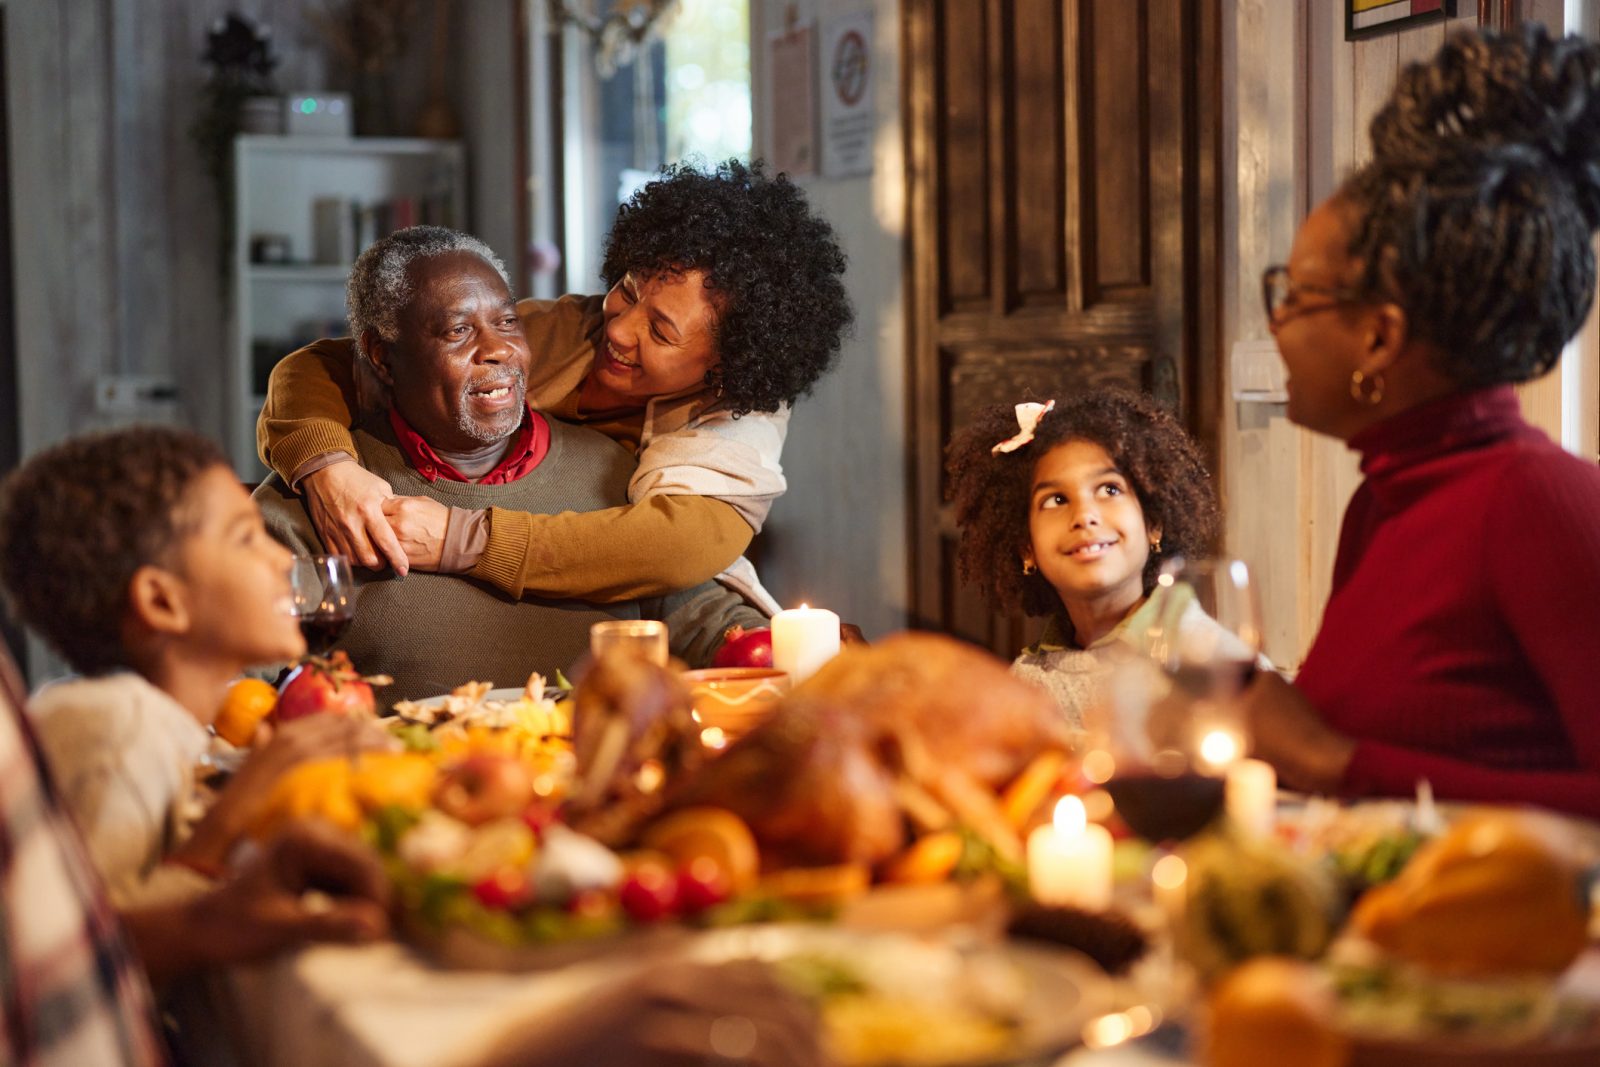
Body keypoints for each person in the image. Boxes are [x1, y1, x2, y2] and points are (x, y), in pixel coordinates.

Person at [1242, 25, 1600, 819]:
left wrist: (1330, 758)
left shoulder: (1539, 501)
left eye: (1295, 295)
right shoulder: (1380, 500)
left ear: (1380, 336)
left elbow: (1348, 763)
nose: (1277, 324)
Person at [257, 159, 852, 614]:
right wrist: (327, 468)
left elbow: (680, 547)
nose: (617, 328)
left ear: (724, 365)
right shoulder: (544, 334)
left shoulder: (737, 421)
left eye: (661, 332)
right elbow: (320, 366)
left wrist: (463, 539)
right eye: (626, 289)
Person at [253, 226, 768, 703]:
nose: (497, 348)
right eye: (458, 331)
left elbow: (702, 616)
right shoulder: (327, 504)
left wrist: (778, 641)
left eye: (506, 321)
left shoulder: (621, 474)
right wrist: (325, 464)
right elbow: (234, 675)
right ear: (384, 359)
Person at [0, 427, 390, 905]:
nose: (281, 559)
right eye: (246, 538)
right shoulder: (114, 728)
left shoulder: (177, 729)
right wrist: (237, 808)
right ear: (162, 601)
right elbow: (101, 948)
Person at [0, 640, 390, 1067]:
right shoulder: (120, 727)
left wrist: (203, 920)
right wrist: (227, 821)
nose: (284, 567)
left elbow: (48, 951)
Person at [945, 389, 1222, 725]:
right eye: (1056, 500)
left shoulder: (1206, 659)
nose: (1085, 515)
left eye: (1109, 489)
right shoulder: (1028, 681)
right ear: (1026, 548)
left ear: (1154, 525)